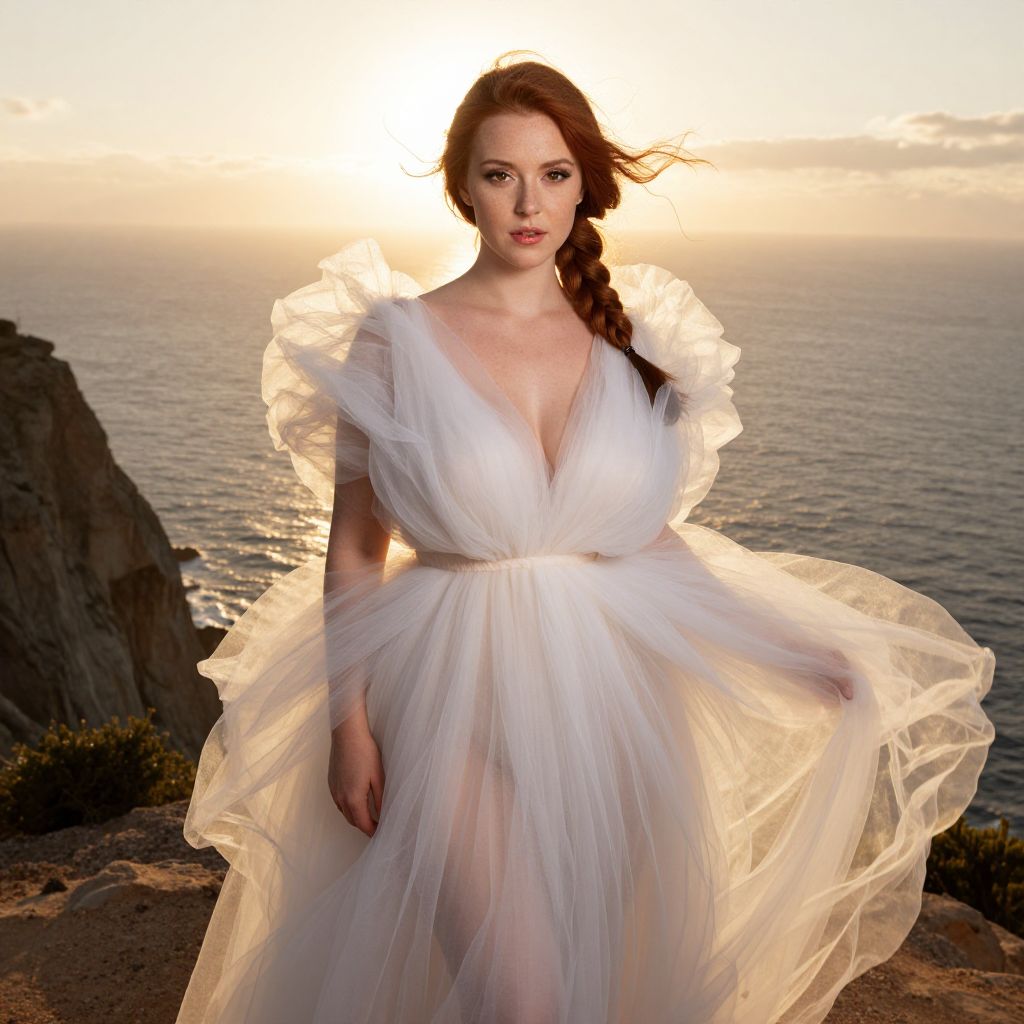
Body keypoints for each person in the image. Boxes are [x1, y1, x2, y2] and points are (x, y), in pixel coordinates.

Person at [176, 53, 996, 1024]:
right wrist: (348, 726)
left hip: (614, 702)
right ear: (462, 187)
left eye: (554, 174)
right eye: (500, 174)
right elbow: (357, 545)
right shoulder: (396, 336)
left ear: (582, 187)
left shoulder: (631, 338)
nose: (529, 201)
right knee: (521, 999)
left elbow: (643, 540)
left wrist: (788, 650)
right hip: (443, 691)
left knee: (601, 982)